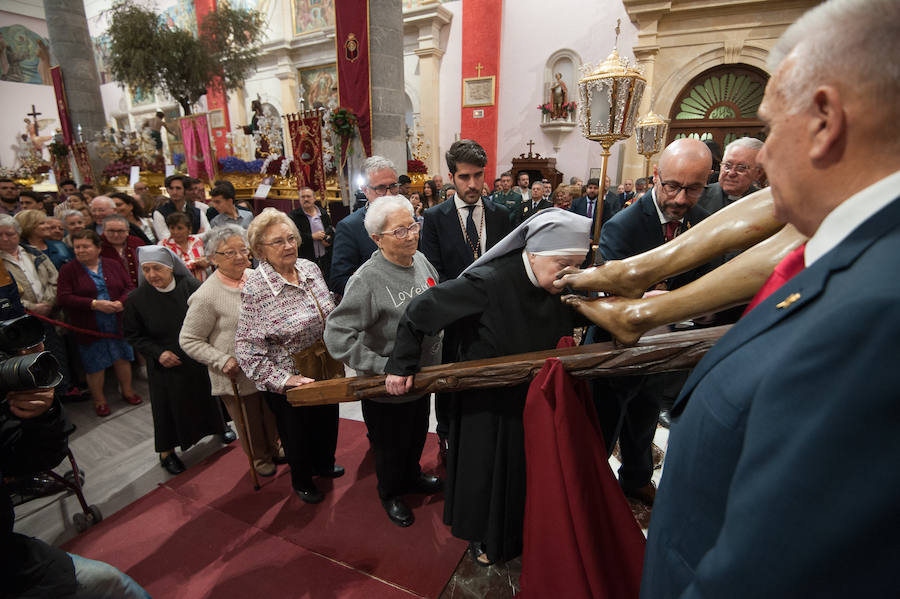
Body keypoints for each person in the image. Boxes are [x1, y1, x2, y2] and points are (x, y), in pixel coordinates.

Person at [640, 1, 900, 596]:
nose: (760, 156)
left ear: (824, 121)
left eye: (768, 124)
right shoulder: (854, 249)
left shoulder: (874, 317)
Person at [386, 208, 591, 566]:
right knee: (488, 476)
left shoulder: (553, 277)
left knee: (524, 472)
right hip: (488, 402)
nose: (568, 275)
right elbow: (421, 310)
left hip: (531, 397)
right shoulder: (489, 281)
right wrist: (402, 363)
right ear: (535, 252)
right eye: (563, 264)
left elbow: (571, 310)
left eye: (576, 266)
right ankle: (486, 538)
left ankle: (519, 530)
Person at [324, 196, 443, 527]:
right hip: (385, 387)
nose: (412, 235)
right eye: (400, 230)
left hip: (421, 378)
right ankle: (390, 493)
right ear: (377, 238)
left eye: (413, 225)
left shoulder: (420, 260)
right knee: (390, 446)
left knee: (417, 434)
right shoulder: (367, 279)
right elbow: (336, 335)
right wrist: (381, 365)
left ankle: (412, 477)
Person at [236, 208, 342, 504]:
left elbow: (328, 307)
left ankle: (324, 463)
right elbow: (246, 349)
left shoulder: (309, 268)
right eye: (278, 242)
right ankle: (303, 479)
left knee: (327, 419)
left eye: (291, 238)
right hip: (290, 376)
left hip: (323, 362)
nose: (288, 246)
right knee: (298, 433)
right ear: (260, 250)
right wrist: (284, 379)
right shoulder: (256, 288)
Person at [419, 139, 512, 462]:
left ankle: (485, 435)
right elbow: (434, 272)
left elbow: (508, 264)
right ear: (451, 177)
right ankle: (446, 435)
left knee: (489, 379)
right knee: (449, 381)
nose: (472, 184)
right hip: (453, 318)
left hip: (494, 316)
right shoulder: (435, 218)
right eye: (464, 177)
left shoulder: (501, 214)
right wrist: (465, 300)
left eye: (478, 175)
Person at [180, 225, 281, 478]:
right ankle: (259, 457)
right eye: (229, 253)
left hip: (267, 365)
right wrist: (221, 359)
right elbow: (189, 339)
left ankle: (275, 446)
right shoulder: (206, 296)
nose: (239, 257)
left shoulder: (257, 277)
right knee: (249, 422)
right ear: (213, 258)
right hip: (235, 371)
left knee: (271, 412)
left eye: (242, 250)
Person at [124, 246, 233, 475]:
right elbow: (133, 335)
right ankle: (167, 452)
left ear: (170, 267)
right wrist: (158, 353)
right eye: (146, 269)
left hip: (196, 354)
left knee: (206, 394)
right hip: (165, 361)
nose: (152, 274)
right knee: (167, 408)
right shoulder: (136, 299)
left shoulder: (190, 286)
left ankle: (218, 427)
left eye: (157, 268)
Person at [57, 230, 140, 417]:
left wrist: (121, 302)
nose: (80, 250)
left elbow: (129, 287)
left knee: (123, 358)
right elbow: (63, 298)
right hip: (89, 325)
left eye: (85, 246)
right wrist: (94, 304)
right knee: (95, 365)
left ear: (98, 248)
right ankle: (100, 401)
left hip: (117, 321)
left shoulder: (112, 264)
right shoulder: (68, 270)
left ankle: (127, 391)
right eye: (77, 247)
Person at [329, 156, 396, 295]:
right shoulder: (350, 227)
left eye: (393, 187)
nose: (389, 194)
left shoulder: (408, 218)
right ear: (365, 190)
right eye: (381, 188)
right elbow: (338, 281)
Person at [288, 187, 334, 281]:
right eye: (303, 197)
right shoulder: (294, 216)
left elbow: (331, 231)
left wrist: (329, 239)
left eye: (308, 196)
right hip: (306, 258)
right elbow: (292, 237)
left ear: (314, 198)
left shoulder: (323, 214)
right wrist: (312, 237)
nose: (306, 199)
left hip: (324, 259)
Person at [153, 174, 209, 240]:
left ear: (185, 190)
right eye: (171, 188)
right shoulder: (159, 213)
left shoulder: (197, 212)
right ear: (167, 190)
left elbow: (208, 234)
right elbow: (165, 238)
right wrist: (196, 236)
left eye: (178, 188)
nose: (174, 192)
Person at [99, 215, 145, 287]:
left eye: (120, 231)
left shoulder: (137, 242)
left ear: (128, 231)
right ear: (103, 231)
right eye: (111, 231)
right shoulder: (97, 245)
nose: (116, 235)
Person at [161, 212, 208, 281]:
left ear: (189, 230)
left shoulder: (198, 241)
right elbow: (165, 269)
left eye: (180, 228)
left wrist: (206, 261)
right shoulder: (163, 246)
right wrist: (194, 264)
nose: (175, 232)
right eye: (172, 228)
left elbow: (209, 259)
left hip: (203, 285)